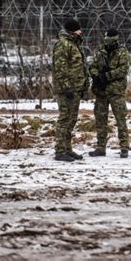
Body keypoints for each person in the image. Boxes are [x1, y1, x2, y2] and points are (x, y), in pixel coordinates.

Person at [88, 28, 131, 158]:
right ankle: (101, 147)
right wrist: (96, 76)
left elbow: (123, 70)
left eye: (109, 38)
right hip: (101, 91)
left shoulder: (122, 52)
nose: (107, 40)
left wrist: (107, 76)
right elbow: (92, 66)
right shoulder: (100, 51)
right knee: (100, 120)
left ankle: (124, 147)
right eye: (106, 38)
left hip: (115, 91)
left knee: (120, 119)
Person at [52, 19, 89, 162]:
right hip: (67, 89)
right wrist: (67, 87)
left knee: (71, 120)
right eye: (79, 30)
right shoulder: (63, 45)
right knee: (65, 119)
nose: (81, 32)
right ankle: (60, 151)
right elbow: (60, 68)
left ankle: (67, 148)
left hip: (75, 88)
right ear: (73, 31)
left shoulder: (73, 44)